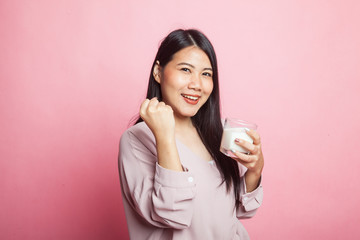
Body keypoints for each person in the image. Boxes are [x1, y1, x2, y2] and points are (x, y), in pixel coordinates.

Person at [118, 29, 264, 240]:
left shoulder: (218, 134)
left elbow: (237, 211)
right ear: (158, 72)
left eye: (206, 74)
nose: (196, 85)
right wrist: (165, 137)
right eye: (186, 69)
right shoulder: (136, 139)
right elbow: (172, 214)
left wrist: (254, 171)